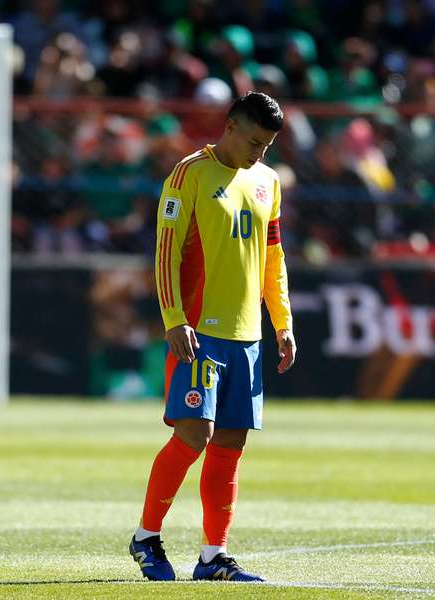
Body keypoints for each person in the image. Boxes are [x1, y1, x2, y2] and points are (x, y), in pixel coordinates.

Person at [129, 92, 296, 582]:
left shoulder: (268, 182)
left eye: (266, 146)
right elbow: (165, 251)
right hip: (199, 331)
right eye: (253, 141)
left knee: (229, 444)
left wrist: (281, 322)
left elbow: (273, 259)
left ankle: (213, 557)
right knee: (193, 435)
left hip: (248, 336)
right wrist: (173, 318)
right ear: (229, 126)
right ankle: (145, 537)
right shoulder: (189, 174)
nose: (259, 153)